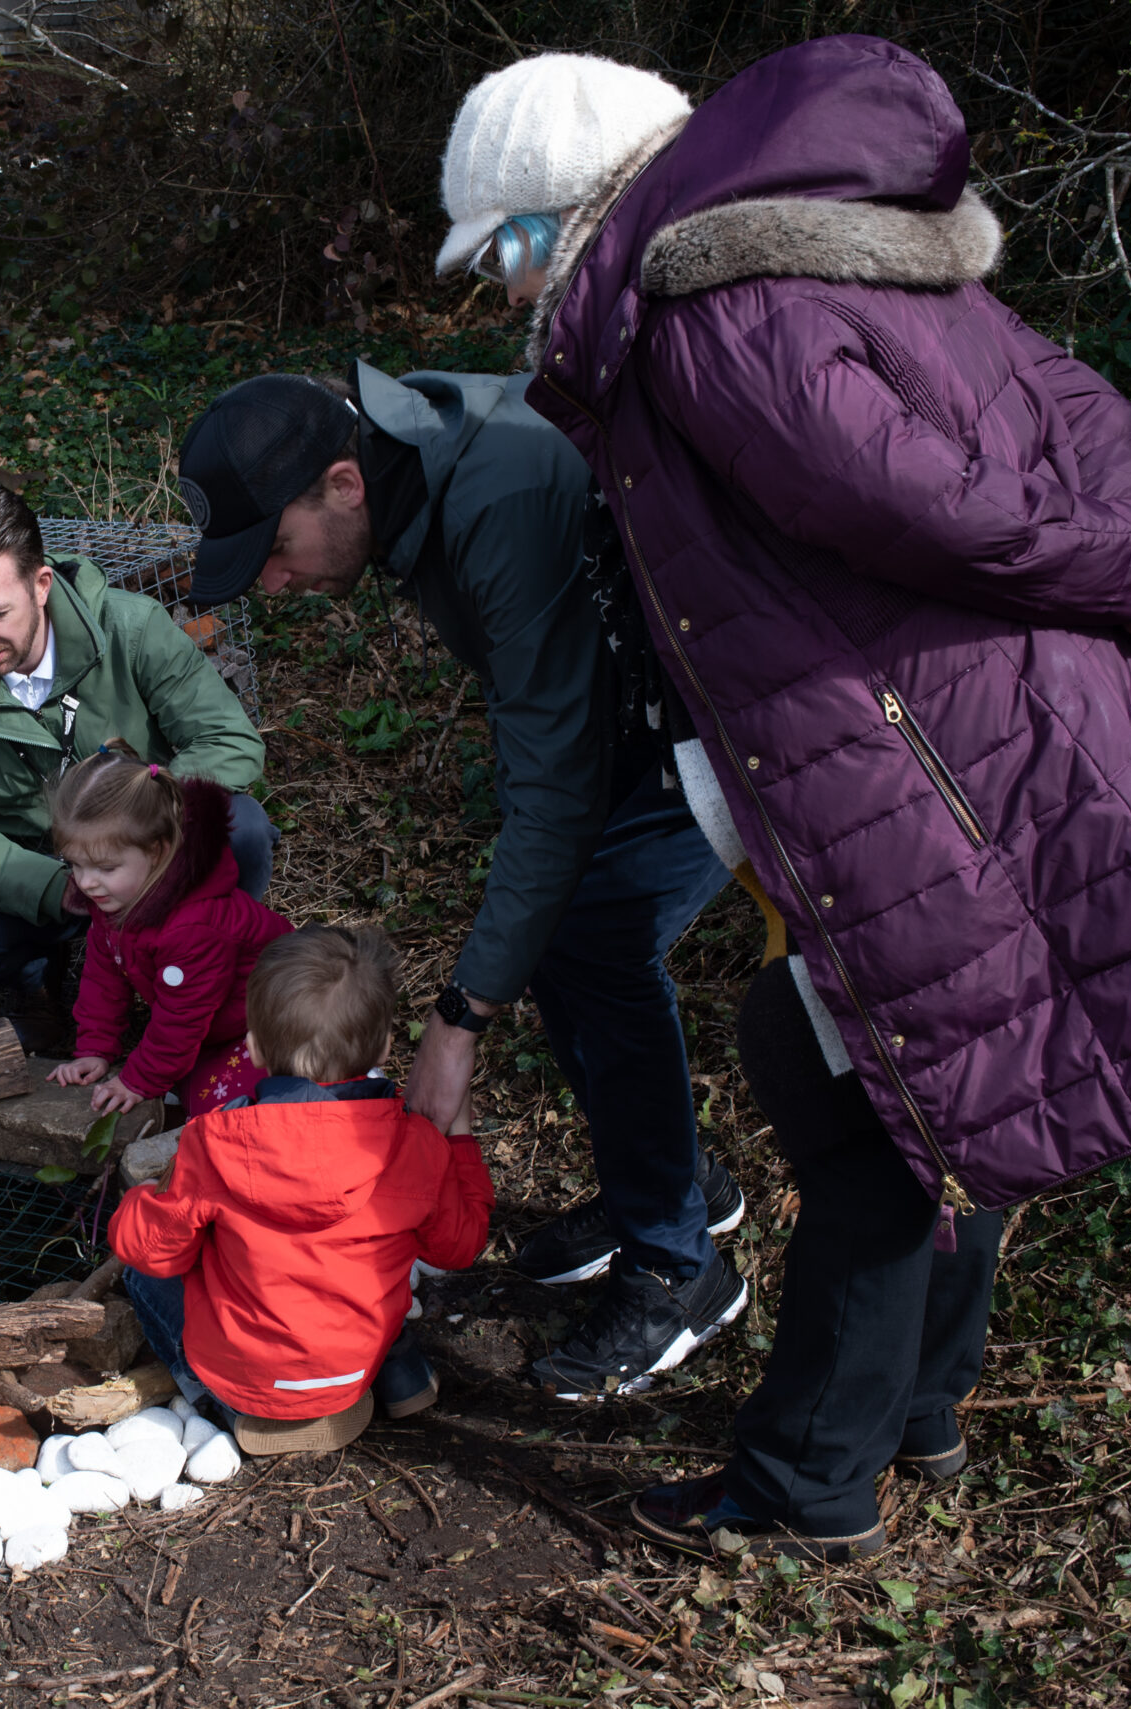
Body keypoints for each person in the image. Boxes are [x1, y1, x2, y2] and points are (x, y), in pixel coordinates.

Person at [472, 37, 1131, 1558]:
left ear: (563, 212)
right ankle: (915, 1404)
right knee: (882, 1068)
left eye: (509, 250)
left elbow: (907, 497)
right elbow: (1070, 411)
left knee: (876, 1105)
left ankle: (805, 1484)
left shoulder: (715, 312)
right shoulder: (872, 259)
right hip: (967, 731)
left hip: (926, 759)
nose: (504, 290)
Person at [174, 353, 750, 1395]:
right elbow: (542, 725)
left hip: (745, 711)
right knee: (566, 930)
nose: (273, 579)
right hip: (647, 714)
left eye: (276, 548)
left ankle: (679, 1263)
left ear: (341, 483)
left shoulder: (498, 497)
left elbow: (558, 790)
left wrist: (458, 1019)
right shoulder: (413, 479)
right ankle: (666, 1180)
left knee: (594, 937)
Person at [0, 483, 271, 1029]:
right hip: (38, 867)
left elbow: (231, 743)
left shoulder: (131, 627)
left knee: (245, 829)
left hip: (151, 857)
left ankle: (207, 963)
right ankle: (39, 981)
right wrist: (54, 886)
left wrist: (139, 827)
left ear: (41, 584)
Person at [107, 927, 493, 1453]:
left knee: (142, 1277)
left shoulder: (215, 1142)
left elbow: (148, 1249)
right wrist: (460, 1144)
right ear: (382, 1046)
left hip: (251, 1374)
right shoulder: (418, 1145)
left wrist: (143, 1198)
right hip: (356, 1361)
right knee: (353, 1267)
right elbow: (459, 1246)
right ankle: (400, 1371)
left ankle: (222, 1401)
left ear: (254, 1047)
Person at [46, 743, 294, 1118]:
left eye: (105, 868)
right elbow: (103, 977)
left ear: (159, 852)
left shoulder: (194, 927)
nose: (86, 882)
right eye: (75, 864)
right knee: (187, 1086)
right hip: (213, 1021)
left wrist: (138, 1080)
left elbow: (182, 1020)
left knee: (222, 1110)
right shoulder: (116, 899)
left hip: (277, 1022)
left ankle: (331, 1078)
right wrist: (95, 1048)